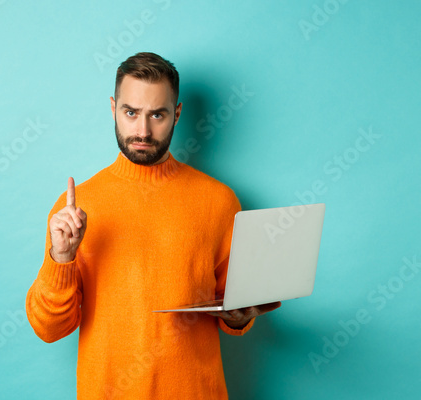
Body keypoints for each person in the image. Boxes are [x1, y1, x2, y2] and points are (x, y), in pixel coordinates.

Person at [25, 52, 281, 399]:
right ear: (113, 108)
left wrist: (239, 315)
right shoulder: (75, 209)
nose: (142, 131)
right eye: (131, 113)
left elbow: (234, 310)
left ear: (176, 114)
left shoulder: (220, 202)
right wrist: (62, 256)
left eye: (157, 115)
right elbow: (49, 329)